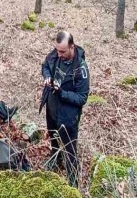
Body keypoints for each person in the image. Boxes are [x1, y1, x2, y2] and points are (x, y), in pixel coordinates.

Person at [39, 31, 90, 187]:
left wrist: (62, 93)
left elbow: (82, 98)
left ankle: (73, 183)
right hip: (52, 108)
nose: (59, 54)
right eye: (57, 50)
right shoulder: (56, 53)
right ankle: (55, 158)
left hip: (68, 117)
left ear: (72, 47)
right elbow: (46, 65)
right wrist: (47, 76)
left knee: (70, 151)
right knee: (53, 138)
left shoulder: (81, 69)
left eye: (62, 51)